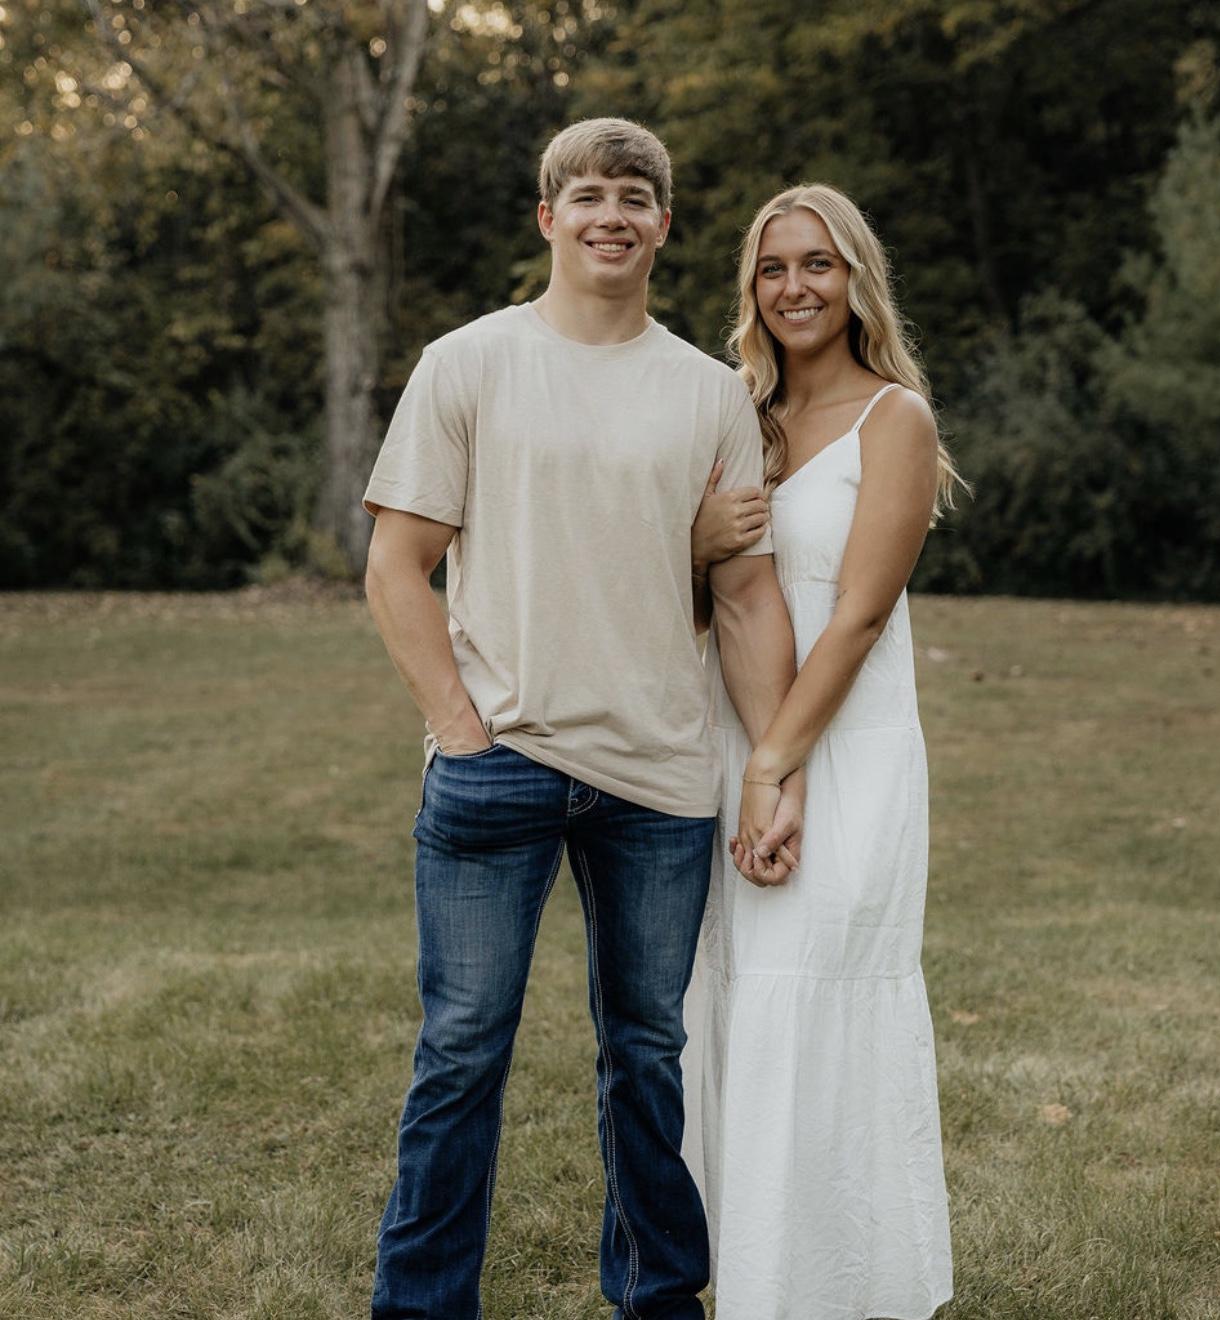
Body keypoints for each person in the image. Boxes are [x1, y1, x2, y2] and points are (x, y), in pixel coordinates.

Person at [359, 118, 804, 1320]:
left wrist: (773, 766)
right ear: (549, 218)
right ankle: (421, 1307)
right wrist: (461, 729)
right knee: (462, 1054)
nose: (613, 215)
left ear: (664, 225)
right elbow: (396, 566)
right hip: (497, 764)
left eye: (634, 198)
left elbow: (745, 596)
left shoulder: (711, 394)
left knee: (648, 1054)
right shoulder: (469, 363)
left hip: (659, 778)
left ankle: (658, 1300)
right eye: (590, 195)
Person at [683, 183, 965, 1320]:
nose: (794, 287)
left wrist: (778, 766)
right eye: (773, 267)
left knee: (819, 990)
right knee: (739, 1001)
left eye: (818, 264)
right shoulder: (732, 413)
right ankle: (750, 1281)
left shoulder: (895, 420)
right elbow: (699, 600)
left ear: (856, 280)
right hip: (733, 740)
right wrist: (694, 545)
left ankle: (853, 1290)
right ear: (750, 287)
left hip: (846, 755)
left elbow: (856, 614)